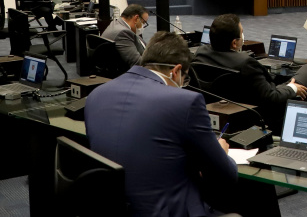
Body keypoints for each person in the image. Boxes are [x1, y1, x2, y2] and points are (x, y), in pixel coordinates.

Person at [85, 31, 237, 216]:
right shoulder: (186, 102)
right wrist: (221, 150)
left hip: (110, 209)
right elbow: (226, 175)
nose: (183, 84)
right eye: (184, 78)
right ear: (176, 71)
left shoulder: (96, 94)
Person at [193, 14, 307, 129]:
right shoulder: (246, 63)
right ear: (234, 43)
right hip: (258, 115)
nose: (243, 35)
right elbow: (271, 98)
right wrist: (292, 88)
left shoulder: (201, 53)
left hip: (219, 111)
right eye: (241, 32)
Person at [102, 4, 149, 68]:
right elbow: (137, 63)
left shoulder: (117, 23)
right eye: (143, 22)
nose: (143, 26)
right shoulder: (123, 32)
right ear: (136, 18)